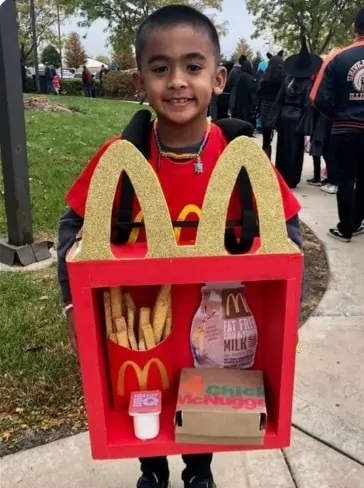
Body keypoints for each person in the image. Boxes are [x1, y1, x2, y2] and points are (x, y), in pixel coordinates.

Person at [57, 6, 303, 488]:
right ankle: (152, 469)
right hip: (140, 321)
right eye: (160, 67)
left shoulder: (239, 161)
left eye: (193, 67)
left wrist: (287, 317)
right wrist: (72, 305)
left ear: (218, 77)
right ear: (139, 80)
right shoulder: (119, 159)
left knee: (204, 399)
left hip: (214, 318)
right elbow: (74, 226)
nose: (176, 81)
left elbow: (288, 232)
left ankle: (199, 469)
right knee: (144, 394)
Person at [310, 8, 364, 242]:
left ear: (354, 29)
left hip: (344, 127)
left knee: (345, 179)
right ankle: (357, 221)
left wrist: (337, 115)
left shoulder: (338, 57)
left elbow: (317, 97)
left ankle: (346, 228)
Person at [267, 36, 322, 188]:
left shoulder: (287, 81)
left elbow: (279, 100)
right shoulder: (308, 83)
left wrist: (273, 119)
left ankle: (282, 176)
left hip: (284, 116)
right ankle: (292, 178)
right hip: (298, 119)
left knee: (283, 147)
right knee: (295, 150)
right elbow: (308, 104)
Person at [256, 54, 285, 158]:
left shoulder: (265, 77)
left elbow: (259, 92)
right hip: (280, 108)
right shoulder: (284, 78)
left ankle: (266, 161)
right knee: (282, 139)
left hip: (266, 107)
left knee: (266, 138)